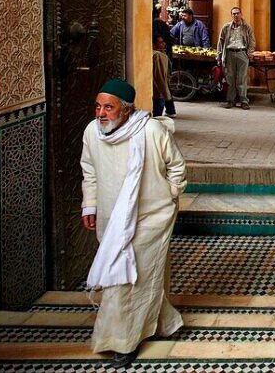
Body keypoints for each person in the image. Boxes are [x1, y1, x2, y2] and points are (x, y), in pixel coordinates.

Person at [80, 79, 187, 368]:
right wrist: (89, 204)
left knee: (127, 280)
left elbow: (176, 167)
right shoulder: (93, 132)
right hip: (110, 218)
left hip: (151, 218)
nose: (101, 113)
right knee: (143, 276)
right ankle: (167, 322)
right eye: (98, 106)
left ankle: (122, 341)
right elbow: (88, 170)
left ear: (126, 110)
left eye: (109, 107)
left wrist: (170, 195)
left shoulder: (151, 131)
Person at [216, 6, 255, 109]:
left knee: (242, 78)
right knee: (230, 78)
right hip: (230, 53)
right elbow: (220, 42)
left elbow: (252, 41)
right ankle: (230, 100)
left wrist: (249, 52)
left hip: (242, 53)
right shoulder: (226, 27)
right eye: (234, 14)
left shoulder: (246, 27)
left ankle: (244, 101)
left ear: (241, 14)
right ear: (231, 15)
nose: (236, 15)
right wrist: (219, 56)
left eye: (237, 13)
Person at [152, 12, 177, 117]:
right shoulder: (163, 25)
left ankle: (169, 109)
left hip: (163, 55)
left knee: (163, 84)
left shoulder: (153, 25)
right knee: (164, 83)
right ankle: (170, 109)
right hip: (166, 54)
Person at [151, 35, 172, 117]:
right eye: (161, 42)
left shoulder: (160, 55)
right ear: (154, 45)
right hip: (158, 93)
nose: (164, 44)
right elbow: (160, 76)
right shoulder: (158, 55)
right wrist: (165, 92)